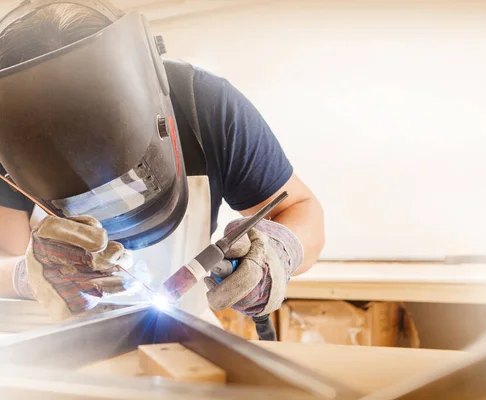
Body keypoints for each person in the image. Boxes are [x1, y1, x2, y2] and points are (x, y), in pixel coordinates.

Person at [0, 2, 324, 325]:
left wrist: (276, 254)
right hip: (54, 340)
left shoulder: (204, 105)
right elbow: (4, 254)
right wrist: (28, 274)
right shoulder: (8, 127)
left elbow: (300, 208)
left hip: (185, 333)